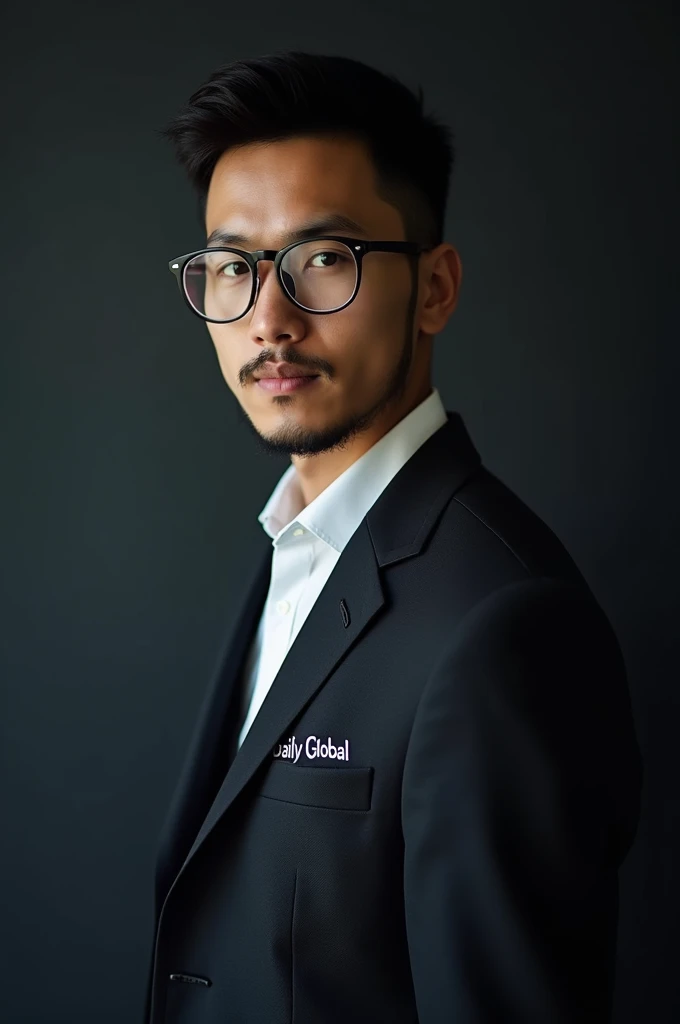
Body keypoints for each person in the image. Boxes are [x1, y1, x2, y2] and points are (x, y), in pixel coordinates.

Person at [142, 50, 643, 1024]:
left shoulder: (504, 626)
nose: (268, 320)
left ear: (434, 288)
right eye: (232, 267)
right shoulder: (300, 543)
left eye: (323, 259)